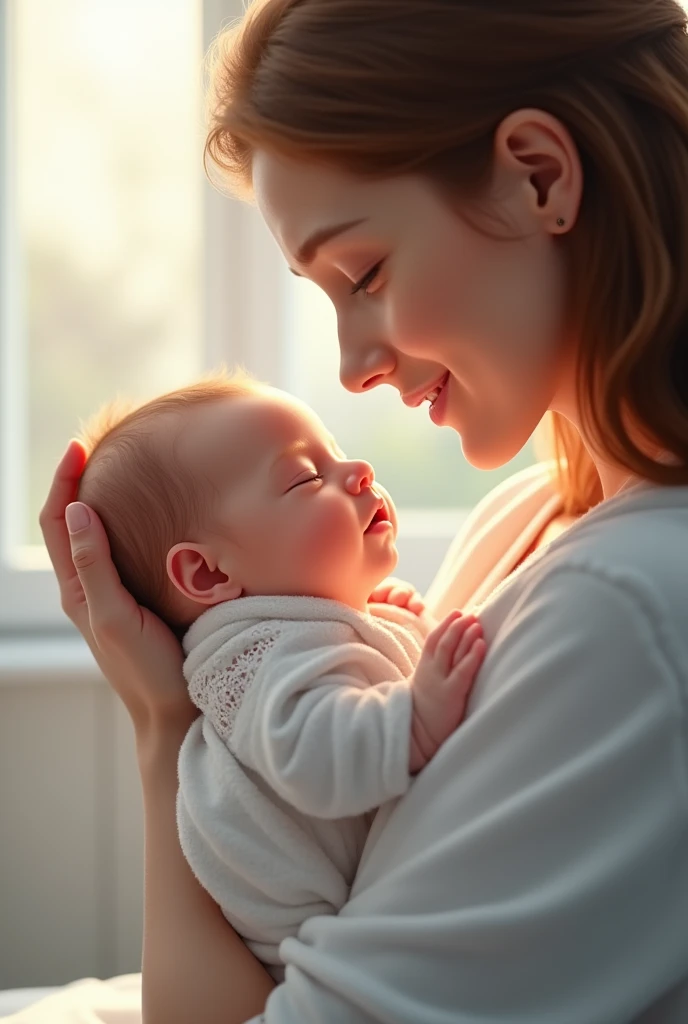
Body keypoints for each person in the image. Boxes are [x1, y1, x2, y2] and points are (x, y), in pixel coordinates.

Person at [39, 0, 688, 1021]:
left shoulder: (628, 608)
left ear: (540, 176)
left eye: (364, 274)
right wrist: (170, 714)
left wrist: (167, 733)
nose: (350, 367)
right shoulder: (524, 520)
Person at [75, 372, 484, 982]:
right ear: (209, 575)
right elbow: (314, 752)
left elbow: (356, 674)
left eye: (339, 453)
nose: (361, 471)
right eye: (308, 477)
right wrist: (416, 719)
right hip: (297, 961)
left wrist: (397, 621)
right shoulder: (253, 659)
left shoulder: (302, 629)